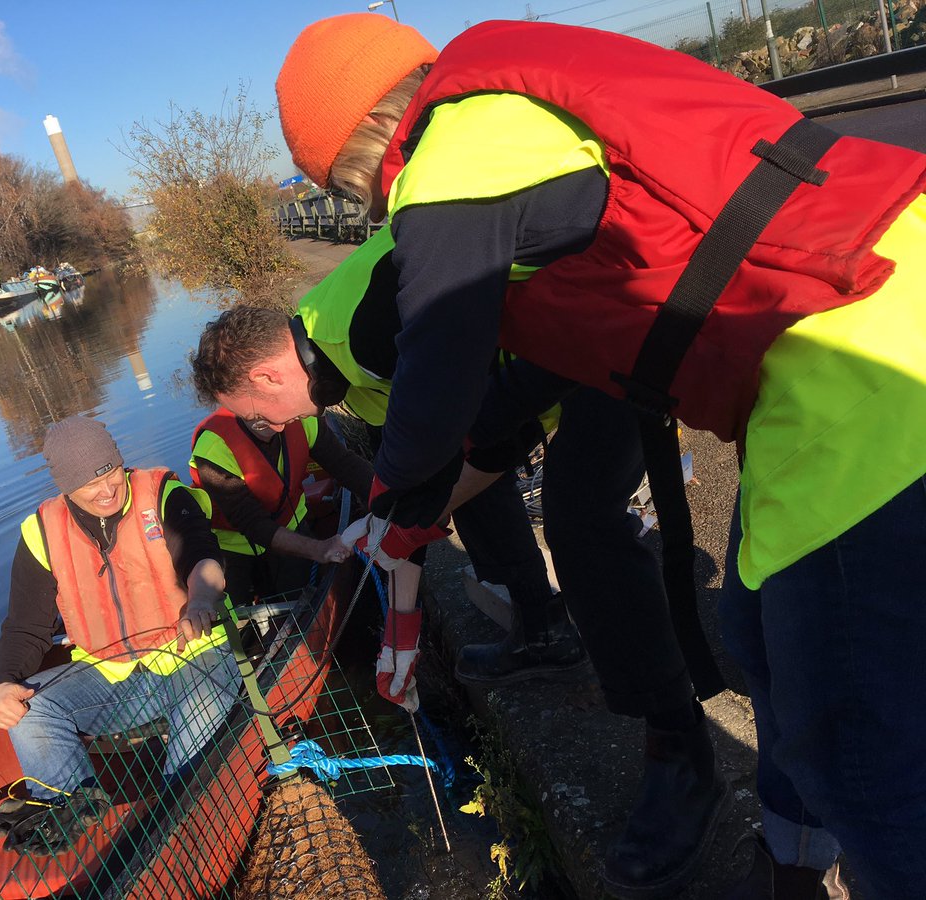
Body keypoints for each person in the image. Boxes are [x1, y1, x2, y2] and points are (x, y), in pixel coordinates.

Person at [272, 14, 926, 900]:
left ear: (355, 149)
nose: (371, 208)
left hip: (856, 346)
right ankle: (790, 863)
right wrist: (430, 497)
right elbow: (524, 384)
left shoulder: (455, 150)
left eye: (348, 188)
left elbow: (439, 372)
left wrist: (393, 506)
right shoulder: (515, 134)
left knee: (854, 735)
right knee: (760, 635)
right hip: (845, 313)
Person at [192, 234, 715, 899]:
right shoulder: (347, 378)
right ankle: (545, 633)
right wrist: (401, 638)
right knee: (483, 499)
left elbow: (487, 432)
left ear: (266, 378)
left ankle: (683, 756)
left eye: (255, 417)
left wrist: (404, 515)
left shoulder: (365, 330)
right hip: (533, 367)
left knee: (585, 525)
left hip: (601, 317)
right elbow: (444, 470)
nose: (264, 427)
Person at [0, 414, 240, 854]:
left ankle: (177, 831)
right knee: (32, 707)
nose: (106, 490)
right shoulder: (40, 533)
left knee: (185, 775)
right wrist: (1, 684)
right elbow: (26, 628)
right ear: (66, 488)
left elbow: (202, 555)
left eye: (110, 474)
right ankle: (74, 812)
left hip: (198, 657)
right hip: (114, 678)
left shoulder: (164, 495)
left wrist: (199, 601)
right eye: (90, 485)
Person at [189, 406, 373, 603]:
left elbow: (344, 464)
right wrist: (319, 549)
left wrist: (389, 497)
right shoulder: (214, 445)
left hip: (292, 528)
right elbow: (253, 524)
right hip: (233, 550)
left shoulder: (301, 416)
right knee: (234, 614)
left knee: (301, 598)